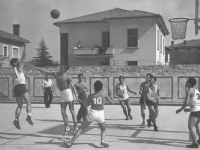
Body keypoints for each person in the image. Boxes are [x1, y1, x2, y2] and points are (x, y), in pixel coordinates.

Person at [64, 80, 115, 148]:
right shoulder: (104, 94)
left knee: (81, 128)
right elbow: (112, 102)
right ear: (102, 88)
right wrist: (110, 95)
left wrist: (81, 100)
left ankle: (71, 142)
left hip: (92, 113)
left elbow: (86, 105)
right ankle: (103, 141)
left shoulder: (91, 96)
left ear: (94, 87)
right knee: (103, 129)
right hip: (101, 114)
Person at [33, 65, 79, 135]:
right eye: (60, 68)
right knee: (63, 111)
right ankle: (67, 126)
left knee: (72, 110)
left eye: (62, 68)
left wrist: (76, 96)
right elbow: (45, 71)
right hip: (62, 94)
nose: (60, 69)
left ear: (65, 70)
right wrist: (36, 67)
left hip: (68, 93)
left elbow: (72, 87)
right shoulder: (56, 74)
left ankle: (76, 126)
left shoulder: (67, 77)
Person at [10, 43, 33, 129]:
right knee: (28, 102)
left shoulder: (13, 69)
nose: (19, 61)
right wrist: (25, 47)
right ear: (15, 62)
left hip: (16, 88)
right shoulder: (19, 66)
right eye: (18, 60)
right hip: (21, 86)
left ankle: (16, 120)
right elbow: (24, 55)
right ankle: (29, 116)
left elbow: (17, 78)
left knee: (19, 105)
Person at [176, 77, 200, 148]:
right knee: (196, 125)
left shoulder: (189, 91)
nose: (186, 82)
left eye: (187, 81)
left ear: (190, 83)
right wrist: (189, 109)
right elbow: (196, 102)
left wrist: (180, 109)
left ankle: (195, 143)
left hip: (195, 111)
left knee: (191, 126)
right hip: (198, 110)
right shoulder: (197, 91)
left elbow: (186, 103)